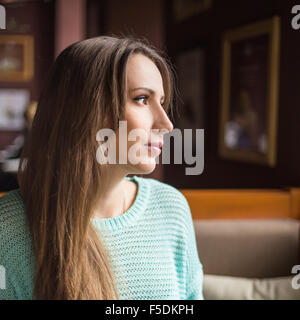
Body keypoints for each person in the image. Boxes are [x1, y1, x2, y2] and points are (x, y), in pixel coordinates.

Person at [0, 36, 204, 300]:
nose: (166, 124)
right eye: (142, 99)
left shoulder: (171, 208)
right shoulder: (9, 228)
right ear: (86, 110)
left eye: (162, 102)